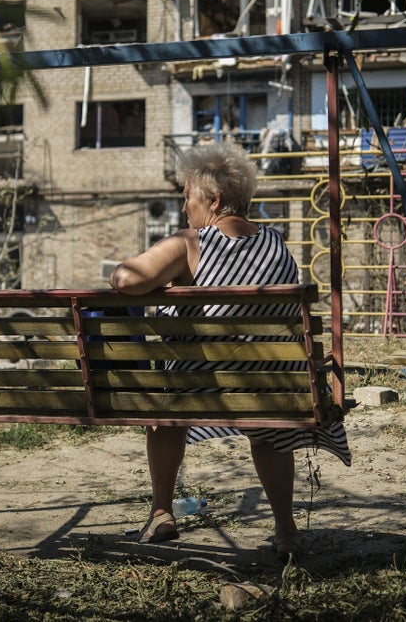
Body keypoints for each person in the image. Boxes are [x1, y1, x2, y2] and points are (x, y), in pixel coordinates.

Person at [109, 141, 351, 562]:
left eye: (187, 196)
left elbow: (124, 280)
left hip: (196, 391)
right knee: (268, 432)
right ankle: (286, 528)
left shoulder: (190, 244)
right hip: (267, 389)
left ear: (214, 199)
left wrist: (163, 284)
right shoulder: (276, 244)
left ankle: (162, 511)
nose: (185, 207)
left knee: (165, 413)